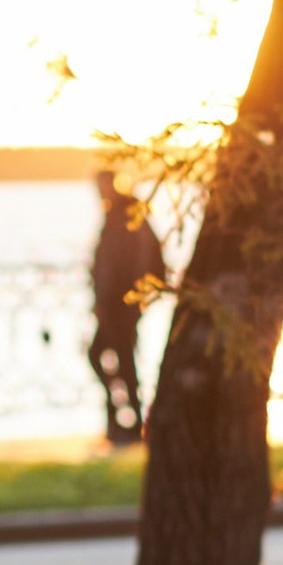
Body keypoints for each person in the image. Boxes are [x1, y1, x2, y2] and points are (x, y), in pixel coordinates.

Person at [89, 172, 167, 447]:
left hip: (123, 302)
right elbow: (103, 263)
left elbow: (144, 258)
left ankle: (132, 420)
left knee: (122, 359)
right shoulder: (112, 214)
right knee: (104, 356)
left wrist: (139, 296)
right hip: (109, 303)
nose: (99, 191)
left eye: (102, 185)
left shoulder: (128, 213)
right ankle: (122, 415)